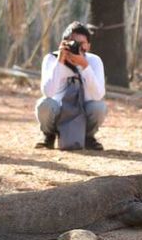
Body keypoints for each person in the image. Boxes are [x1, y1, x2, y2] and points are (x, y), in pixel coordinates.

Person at [35, 21, 107, 150]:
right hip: (58, 110)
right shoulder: (51, 59)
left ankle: (88, 137)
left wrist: (85, 66)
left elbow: (98, 95)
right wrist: (60, 63)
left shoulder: (94, 61)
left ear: (89, 46)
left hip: (83, 111)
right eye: (73, 42)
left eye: (82, 44)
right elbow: (48, 93)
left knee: (99, 107)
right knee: (44, 104)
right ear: (63, 43)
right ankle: (48, 136)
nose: (77, 47)